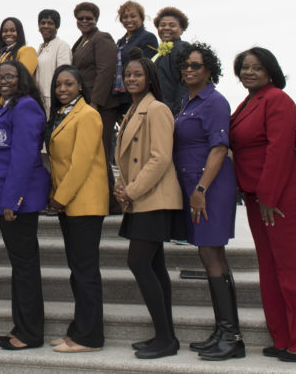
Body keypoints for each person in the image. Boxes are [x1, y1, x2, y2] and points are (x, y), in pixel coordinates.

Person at [229, 47, 296, 362]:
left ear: (270, 71)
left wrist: (268, 196)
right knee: (269, 268)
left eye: (256, 67)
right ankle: (282, 336)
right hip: (257, 196)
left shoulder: (277, 100)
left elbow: (279, 149)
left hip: (281, 195)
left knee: (291, 268)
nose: (248, 72)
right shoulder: (248, 103)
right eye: (244, 67)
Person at [173, 42, 243, 361]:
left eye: (196, 65)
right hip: (194, 186)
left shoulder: (214, 101)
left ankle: (232, 336)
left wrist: (201, 190)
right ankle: (223, 330)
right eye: (186, 65)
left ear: (209, 69)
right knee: (209, 255)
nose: (189, 69)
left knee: (212, 255)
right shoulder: (187, 103)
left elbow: (218, 148)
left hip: (210, 186)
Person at [113, 51, 181, 360]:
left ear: (150, 77)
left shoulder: (157, 109)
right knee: (155, 266)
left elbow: (160, 157)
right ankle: (166, 335)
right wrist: (121, 183)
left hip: (153, 198)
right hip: (142, 197)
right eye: (127, 74)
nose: (131, 79)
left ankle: (166, 338)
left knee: (139, 263)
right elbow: (128, 158)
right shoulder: (133, 110)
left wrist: (133, 189)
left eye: (137, 74)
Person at [0, 60, 50, 351]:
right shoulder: (6, 107)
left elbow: (24, 156)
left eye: (10, 76)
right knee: (20, 265)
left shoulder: (25, 106)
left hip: (16, 201)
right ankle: (20, 326)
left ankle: (31, 333)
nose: (3, 80)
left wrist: (11, 199)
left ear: (22, 78)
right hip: (3, 197)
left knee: (25, 267)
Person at [45, 65, 109, 353]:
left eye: (68, 84)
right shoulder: (62, 115)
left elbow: (81, 163)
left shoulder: (88, 114)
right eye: (58, 84)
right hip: (70, 203)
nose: (62, 89)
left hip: (83, 202)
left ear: (80, 87)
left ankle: (90, 337)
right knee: (77, 270)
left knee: (85, 272)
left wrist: (59, 197)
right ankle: (78, 329)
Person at [70, 2, 119, 209]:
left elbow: (105, 70)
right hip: (85, 106)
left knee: (100, 151)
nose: (84, 21)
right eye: (80, 18)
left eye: (88, 18)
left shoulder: (102, 38)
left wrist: (95, 103)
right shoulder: (81, 41)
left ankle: (112, 202)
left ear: (96, 19)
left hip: (101, 107)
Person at [113, 1, 159, 119]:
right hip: (122, 95)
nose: (129, 20)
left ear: (141, 17)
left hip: (138, 94)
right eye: (125, 17)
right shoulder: (121, 41)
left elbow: (147, 67)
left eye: (133, 16)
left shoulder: (148, 38)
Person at [0, 17, 38, 104]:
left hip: (13, 103)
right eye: (5, 31)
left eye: (12, 30)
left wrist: (0, 102)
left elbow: (22, 81)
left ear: (19, 33)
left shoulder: (26, 50)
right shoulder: (1, 55)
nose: (8, 33)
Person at [149, 6, 189, 117]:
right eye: (162, 25)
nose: (166, 28)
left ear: (181, 29)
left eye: (172, 25)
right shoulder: (160, 53)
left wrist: (177, 113)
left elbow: (183, 84)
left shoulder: (181, 49)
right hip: (159, 110)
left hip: (172, 112)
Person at [34, 9, 72, 115]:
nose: (45, 26)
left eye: (50, 23)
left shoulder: (62, 46)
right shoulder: (40, 48)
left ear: (56, 27)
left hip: (54, 101)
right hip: (40, 101)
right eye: (42, 23)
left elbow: (65, 76)